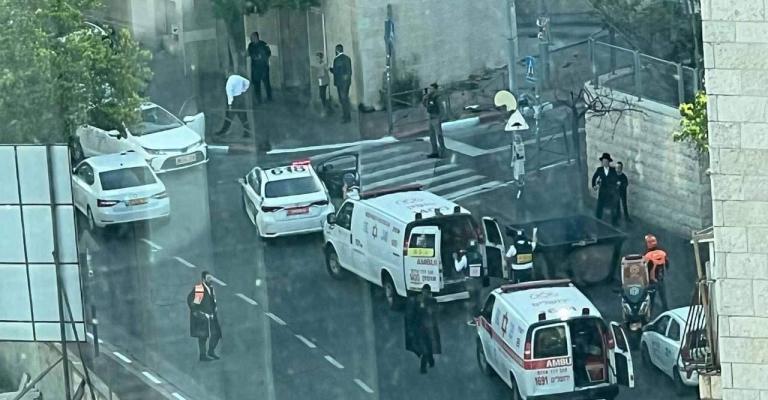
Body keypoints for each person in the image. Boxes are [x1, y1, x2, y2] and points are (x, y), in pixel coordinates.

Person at [404, 285, 441, 374]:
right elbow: (412, 315)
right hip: (420, 329)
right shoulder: (417, 301)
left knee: (429, 346)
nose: (425, 294)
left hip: (429, 329)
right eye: (424, 292)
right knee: (424, 348)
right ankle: (423, 367)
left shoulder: (432, 301)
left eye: (427, 292)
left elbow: (434, 312)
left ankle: (431, 361)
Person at [187, 271, 222, 361]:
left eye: (211, 278)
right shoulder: (200, 289)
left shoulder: (211, 288)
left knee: (216, 334)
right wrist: (197, 313)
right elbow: (195, 304)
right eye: (208, 278)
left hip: (211, 315)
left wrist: (214, 309)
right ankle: (202, 356)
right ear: (203, 279)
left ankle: (211, 351)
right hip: (203, 316)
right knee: (203, 336)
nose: (210, 280)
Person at [214, 72, 251, 138]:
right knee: (243, 117)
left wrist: (230, 105)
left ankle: (223, 131)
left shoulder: (229, 82)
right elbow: (247, 82)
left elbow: (229, 94)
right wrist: (243, 90)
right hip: (241, 98)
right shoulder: (238, 77)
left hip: (234, 100)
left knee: (228, 118)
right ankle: (247, 132)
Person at [591, 152, 619, 225]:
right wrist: (594, 186)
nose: (604, 163)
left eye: (606, 161)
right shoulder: (599, 169)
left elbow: (616, 179)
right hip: (603, 190)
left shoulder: (613, 170)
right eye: (603, 161)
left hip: (611, 190)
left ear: (609, 162)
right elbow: (594, 178)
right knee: (600, 204)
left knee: (613, 206)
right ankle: (598, 218)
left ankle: (614, 222)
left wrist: (615, 186)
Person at [643, 234, 670, 311]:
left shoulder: (659, 252)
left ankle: (664, 311)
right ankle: (652, 312)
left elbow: (667, 263)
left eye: (653, 241)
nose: (652, 243)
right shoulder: (647, 254)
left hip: (657, 279)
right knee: (654, 298)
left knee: (660, 298)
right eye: (650, 242)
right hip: (653, 280)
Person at [247, 32, 272, 103]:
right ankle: (258, 99)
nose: (251, 39)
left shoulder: (263, 44)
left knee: (266, 83)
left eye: (252, 37)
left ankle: (269, 98)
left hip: (263, 67)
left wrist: (262, 57)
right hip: (255, 68)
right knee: (256, 84)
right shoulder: (250, 45)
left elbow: (269, 53)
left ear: (256, 37)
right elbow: (249, 53)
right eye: (251, 38)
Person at [422, 83, 446, 159]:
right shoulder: (429, 97)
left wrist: (441, 117)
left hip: (436, 117)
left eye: (431, 88)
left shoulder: (437, 96)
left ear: (435, 89)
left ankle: (442, 151)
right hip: (431, 117)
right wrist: (424, 98)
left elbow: (441, 107)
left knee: (439, 135)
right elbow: (426, 105)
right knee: (432, 136)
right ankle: (434, 151)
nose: (429, 90)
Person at [330, 44, 352, 123]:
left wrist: (330, 69)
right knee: (345, 99)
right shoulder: (347, 58)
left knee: (343, 100)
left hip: (340, 83)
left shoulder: (336, 59)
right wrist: (347, 79)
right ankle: (347, 115)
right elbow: (349, 71)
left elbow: (336, 71)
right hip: (347, 83)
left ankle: (346, 117)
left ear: (337, 50)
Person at [312, 52, 331, 116]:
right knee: (321, 94)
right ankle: (324, 107)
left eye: (317, 58)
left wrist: (326, 67)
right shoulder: (318, 64)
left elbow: (326, 69)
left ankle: (325, 108)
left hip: (324, 81)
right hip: (320, 81)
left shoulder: (323, 64)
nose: (316, 59)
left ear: (320, 58)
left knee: (322, 94)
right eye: (316, 58)